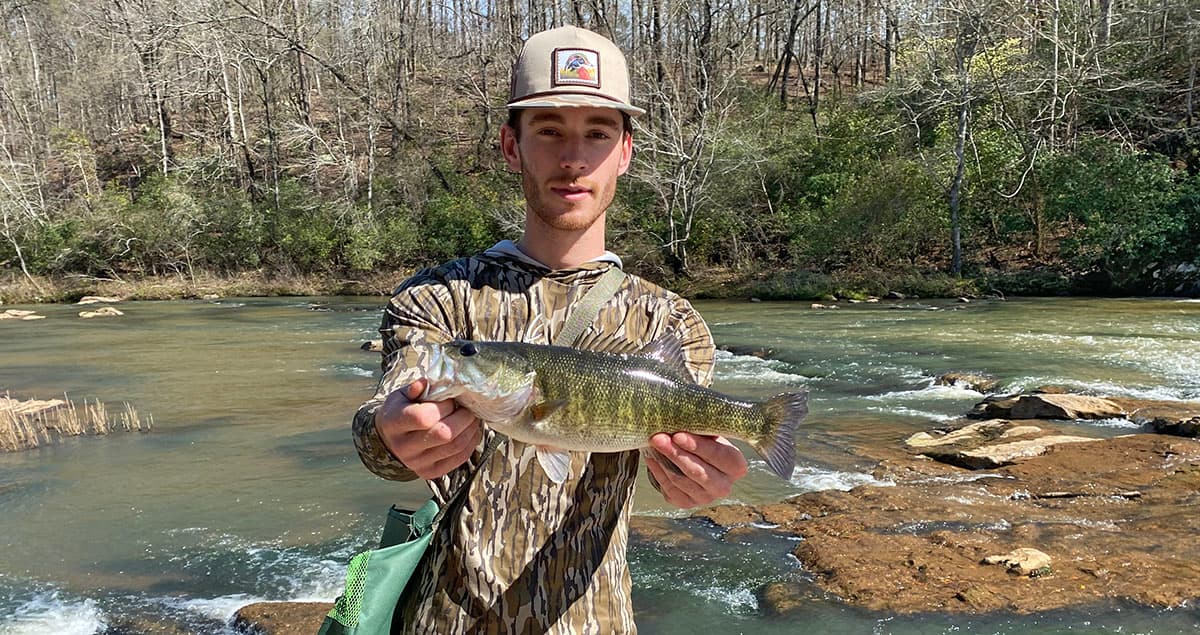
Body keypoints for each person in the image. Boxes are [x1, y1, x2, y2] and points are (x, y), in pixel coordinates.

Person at [351, 25, 749, 633]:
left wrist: (699, 481)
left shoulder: (672, 322)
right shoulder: (435, 300)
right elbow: (384, 433)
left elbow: (676, 469)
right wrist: (390, 436)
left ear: (625, 151)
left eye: (597, 133)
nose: (573, 158)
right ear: (512, 147)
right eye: (549, 131)